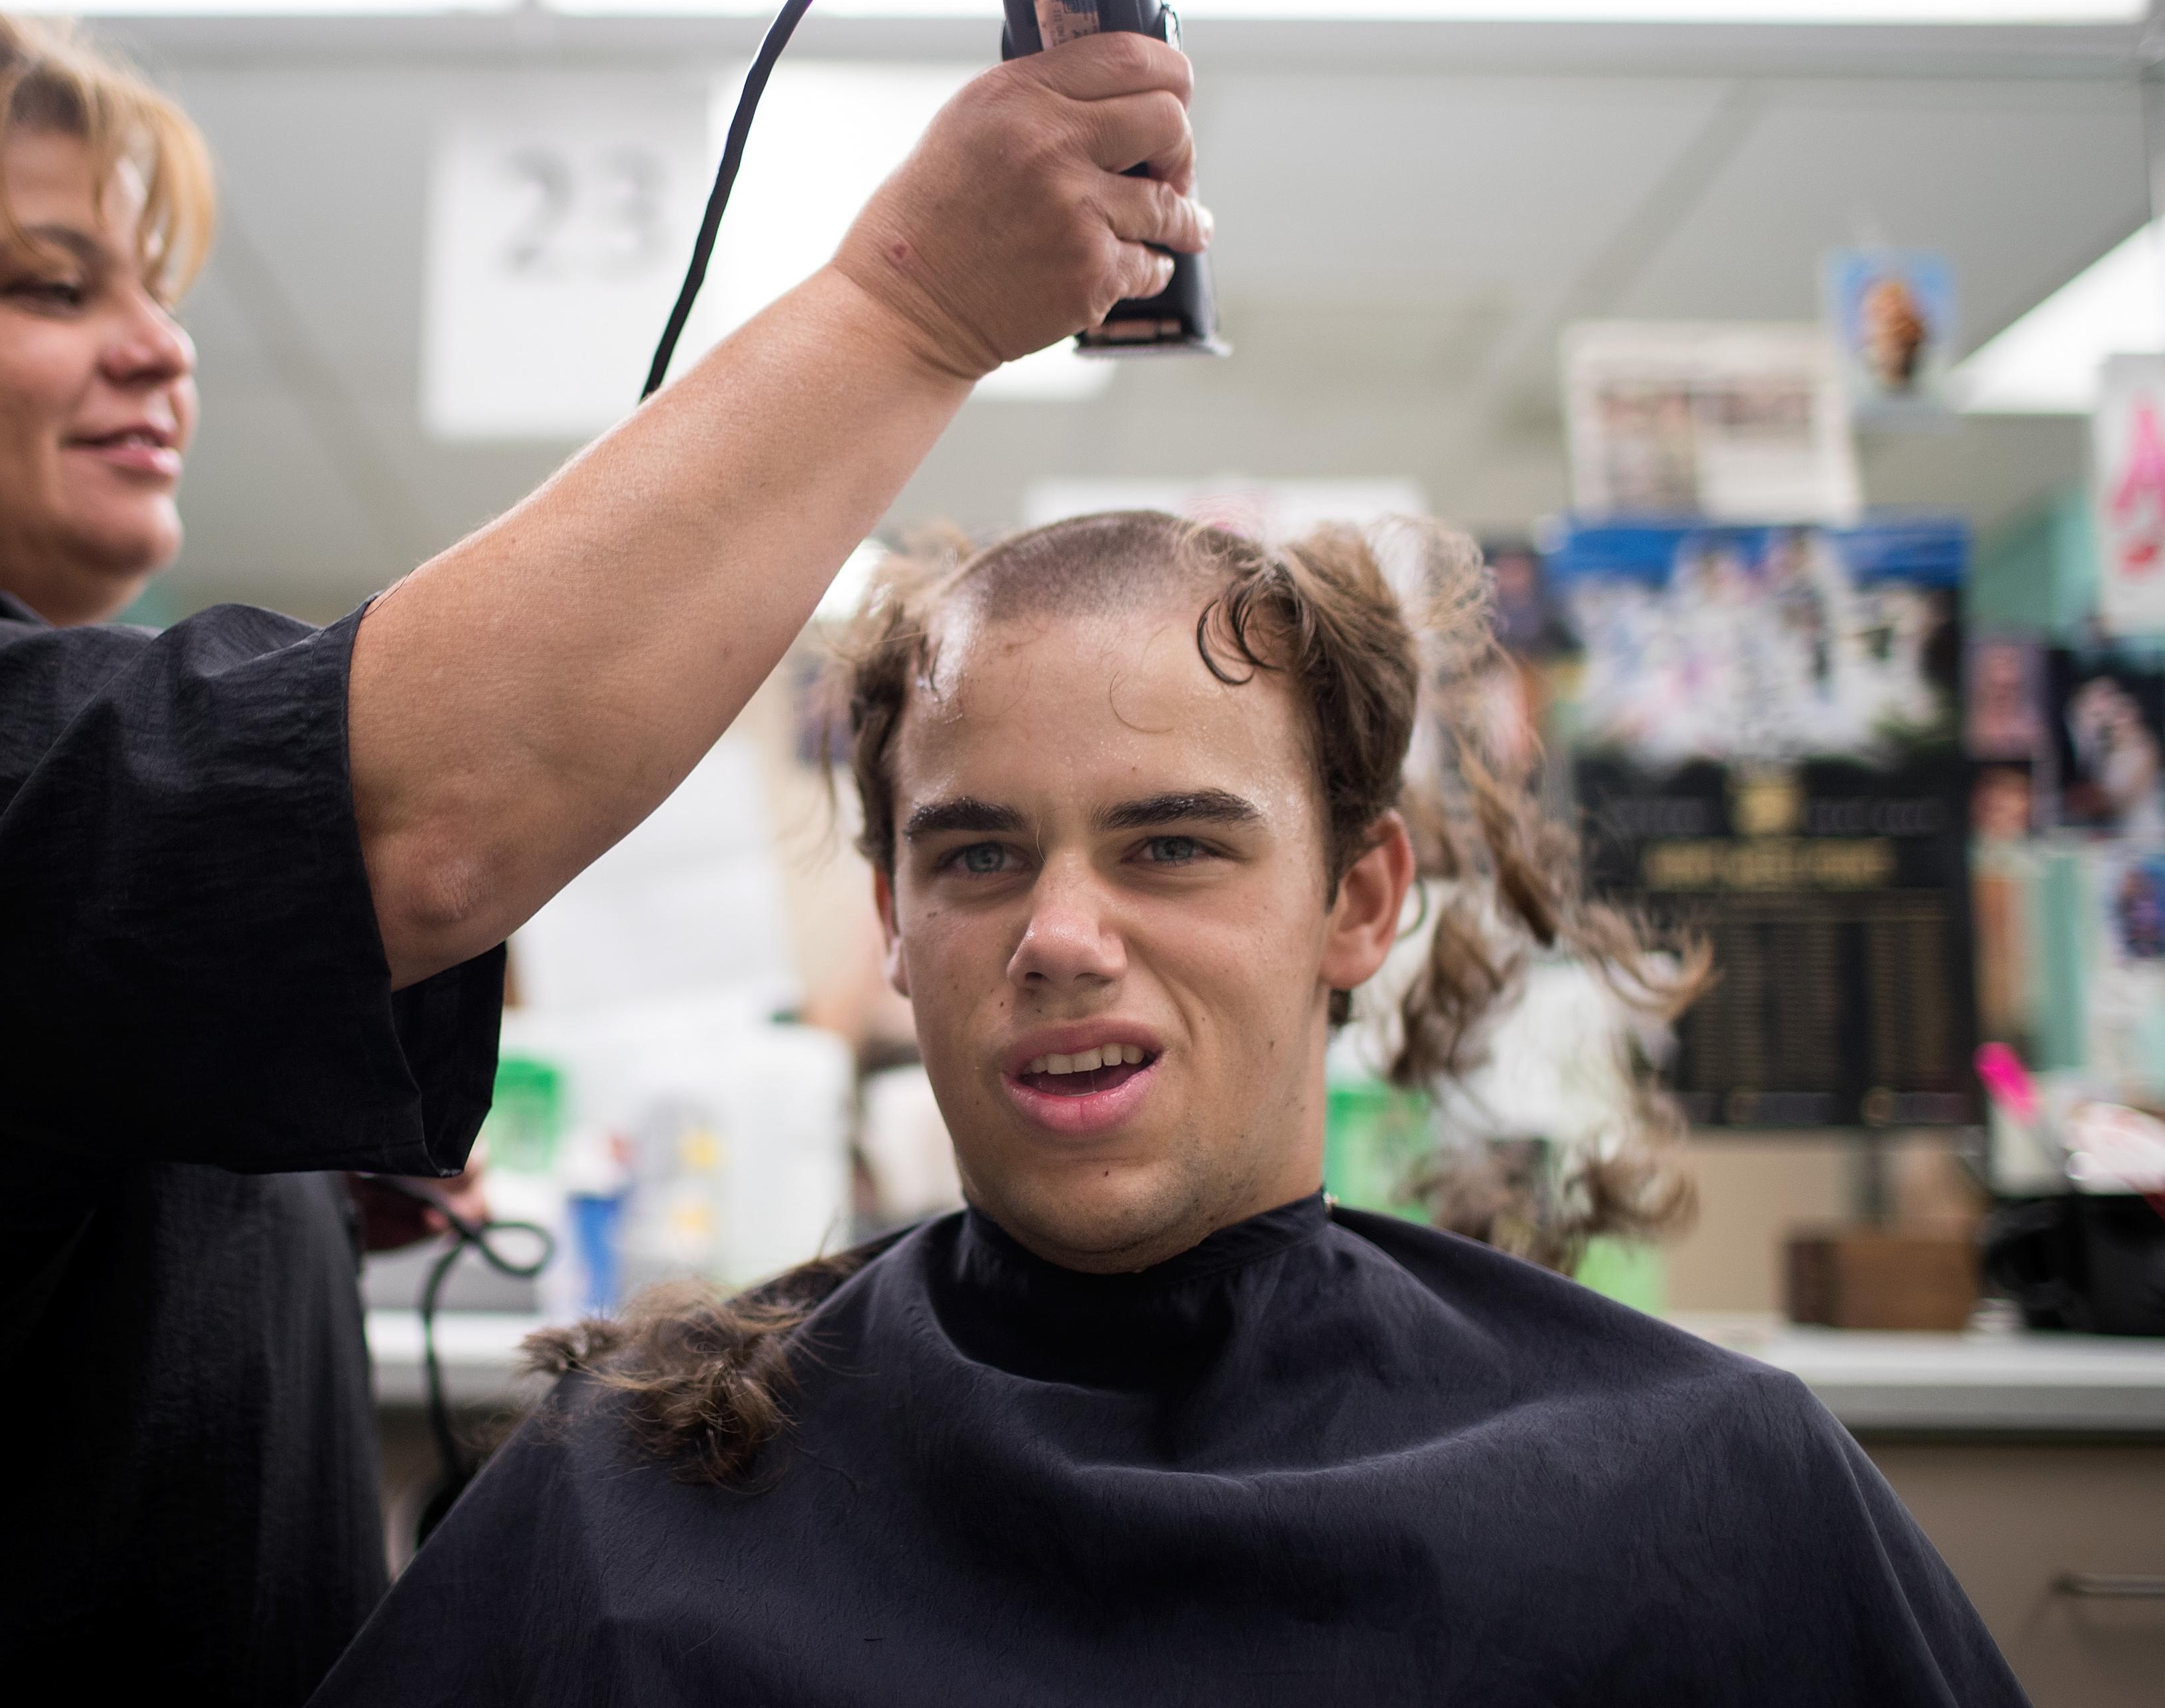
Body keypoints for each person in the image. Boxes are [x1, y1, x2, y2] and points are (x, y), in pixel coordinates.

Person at [0, 1, 1210, 1700]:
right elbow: (428, 816)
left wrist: (260, 1201)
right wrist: (914, 305)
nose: (157, 348)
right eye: (52, 287)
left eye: (155, 293)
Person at [311, 511, 2026, 1707]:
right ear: (895, 921)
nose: (1062, 936)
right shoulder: (632, 1492)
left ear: (1358, 902)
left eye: (1174, 844)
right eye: (978, 852)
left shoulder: (1700, 1484)